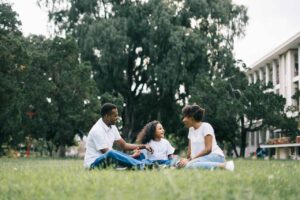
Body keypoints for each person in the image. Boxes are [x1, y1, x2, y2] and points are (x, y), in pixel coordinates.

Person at [83, 103, 152, 169]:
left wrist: (143, 146)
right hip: (94, 164)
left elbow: (124, 145)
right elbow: (107, 153)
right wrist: (131, 156)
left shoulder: (113, 127)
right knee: (111, 152)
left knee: (140, 155)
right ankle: (141, 165)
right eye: (115, 116)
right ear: (107, 116)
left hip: (109, 160)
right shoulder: (97, 130)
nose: (117, 118)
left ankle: (147, 164)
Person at [177, 104, 235, 171]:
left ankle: (224, 165)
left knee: (189, 166)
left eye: (185, 117)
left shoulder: (206, 126)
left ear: (192, 118)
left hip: (215, 156)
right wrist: (186, 160)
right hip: (200, 159)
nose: (183, 120)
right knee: (185, 165)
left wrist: (190, 161)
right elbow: (189, 151)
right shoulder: (191, 130)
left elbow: (208, 149)